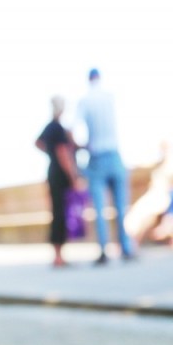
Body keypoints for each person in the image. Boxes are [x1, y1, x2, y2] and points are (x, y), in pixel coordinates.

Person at [76, 68, 134, 263]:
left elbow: (75, 129)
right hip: (114, 154)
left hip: (97, 156)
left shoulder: (85, 101)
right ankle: (125, 248)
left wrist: (83, 147)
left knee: (99, 209)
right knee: (120, 206)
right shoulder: (110, 97)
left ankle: (104, 250)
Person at [35, 96, 83, 267]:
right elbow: (63, 154)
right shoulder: (57, 127)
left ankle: (58, 254)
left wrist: (50, 153)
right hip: (60, 176)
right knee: (60, 215)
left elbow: (38, 143)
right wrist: (73, 177)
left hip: (52, 173)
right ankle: (58, 256)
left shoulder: (50, 127)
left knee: (57, 213)